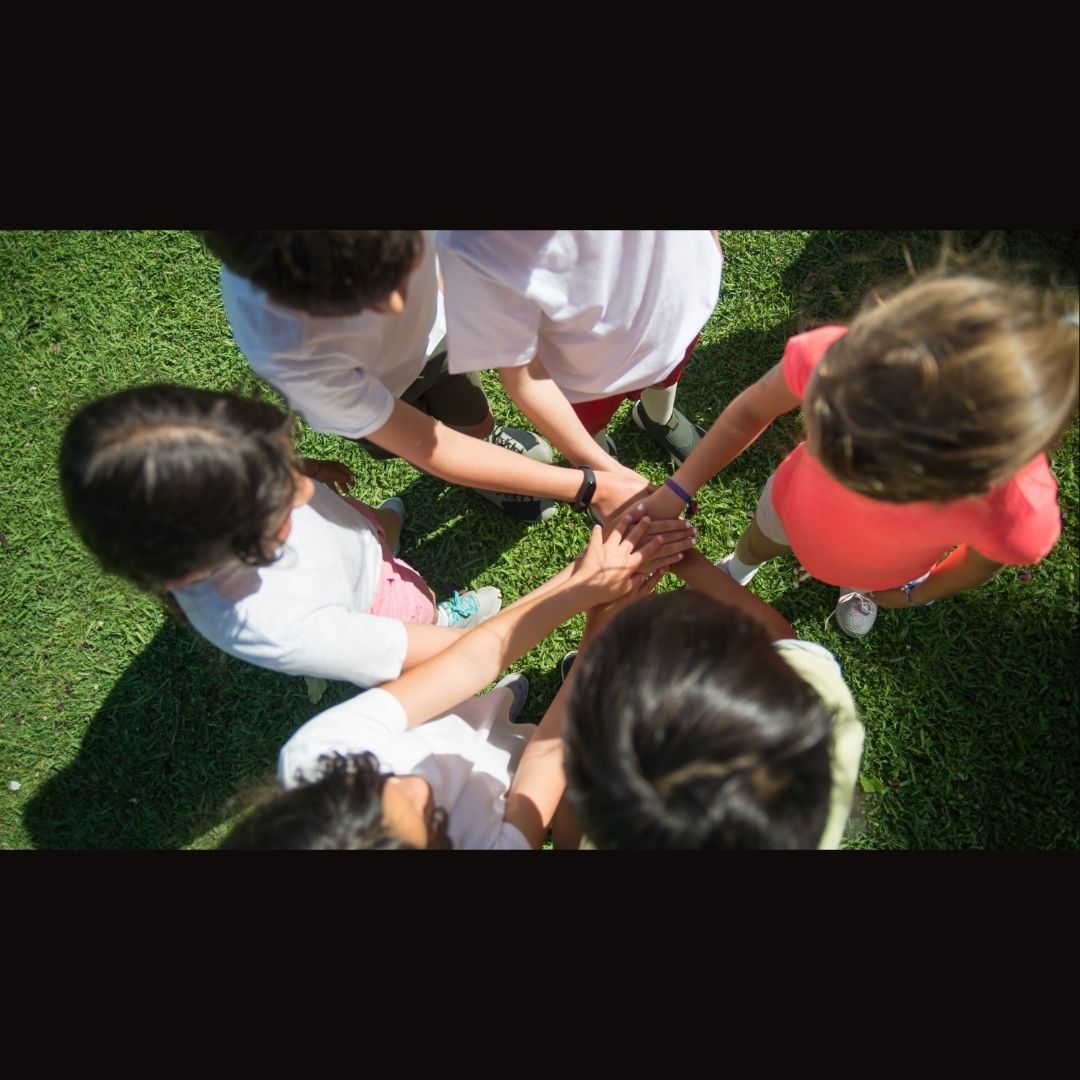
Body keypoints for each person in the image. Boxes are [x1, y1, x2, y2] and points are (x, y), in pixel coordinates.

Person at [634, 273, 1079, 636]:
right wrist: (679, 486)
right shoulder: (843, 360)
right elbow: (750, 410)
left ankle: (857, 587)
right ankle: (739, 568)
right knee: (761, 539)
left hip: (889, 567)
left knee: (866, 572)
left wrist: (916, 593)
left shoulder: (1018, 512)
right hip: (790, 508)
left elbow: (982, 563)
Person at [221, 513, 697, 849]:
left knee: (487, 704)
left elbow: (468, 663)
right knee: (520, 744)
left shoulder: (318, 758)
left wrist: (583, 582)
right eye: (433, 821)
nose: (420, 788)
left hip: (451, 713)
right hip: (509, 776)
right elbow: (544, 761)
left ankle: (504, 702)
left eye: (378, 779)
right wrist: (601, 632)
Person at [59, 384, 502, 689]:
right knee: (416, 607)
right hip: (375, 603)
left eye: (280, 465)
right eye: (278, 500)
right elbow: (403, 651)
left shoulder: (230, 493)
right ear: (201, 559)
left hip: (349, 537)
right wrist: (492, 641)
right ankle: (444, 618)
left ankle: (386, 538)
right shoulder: (270, 624)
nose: (306, 492)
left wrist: (303, 468)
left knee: (370, 532)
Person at [201, 230, 651, 525]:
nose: (396, 306)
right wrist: (591, 485)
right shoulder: (287, 350)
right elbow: (429, 447)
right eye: (355, 303)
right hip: (378, 393)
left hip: (438, 343)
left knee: (475, 420)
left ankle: (490, 451)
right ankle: (486, 479)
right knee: (431, 445)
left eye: (401, 261)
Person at [560, 549, 864, 849]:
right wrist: (685, 559)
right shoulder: (823, 712)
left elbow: (570, 819)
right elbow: (783, 638)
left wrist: (593, 644)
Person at [436, 230, 724, 472]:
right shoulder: (473, 244)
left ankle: (658, 419)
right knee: (589, 426)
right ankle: (600, 462)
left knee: (666, 382)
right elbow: (522, 376)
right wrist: (606, 474)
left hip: (678, 322)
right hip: (589, 375)